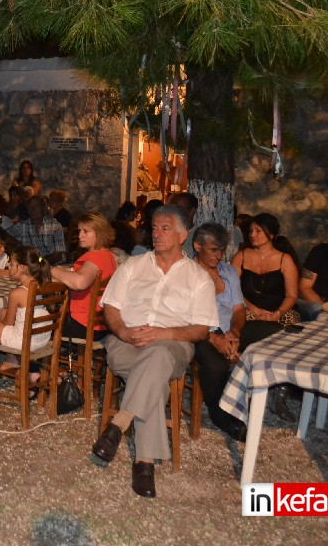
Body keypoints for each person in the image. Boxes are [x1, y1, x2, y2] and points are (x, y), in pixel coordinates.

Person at [93, 205, 218, 499]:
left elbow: (201, 330)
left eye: (165, 228)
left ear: (183, 235)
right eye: (154, 228)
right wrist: (124, 332)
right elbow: (111, 308)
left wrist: (163, 334)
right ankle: (144, 464)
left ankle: (119, 424)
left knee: (158, 355)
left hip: (172, 345)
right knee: (154, 379)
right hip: (127, 342)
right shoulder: (133, 266)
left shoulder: (198, 278)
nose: (156, 234)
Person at [231, 212, 301, 422]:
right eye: (251, 231)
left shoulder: (284, 259)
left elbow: (292, 295)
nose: (252, 235)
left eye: (258, 231)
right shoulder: (241, 256)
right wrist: (252, 308)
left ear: (271, 234)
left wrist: (278, 313)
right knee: (242, 327)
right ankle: (246, 387)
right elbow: (233, 290)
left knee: (290, 334)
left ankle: (280, 394)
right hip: (248, 308)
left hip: (279, 311)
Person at [190, 224, 248, 441]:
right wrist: (214, 338)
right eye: (214, 250)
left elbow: (239, 309)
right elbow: (182, 317)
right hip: (198, 330)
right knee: (216, 364)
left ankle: (248, 401)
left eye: (222, 250)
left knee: (265, 340)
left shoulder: (228, 272)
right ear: (197, 246)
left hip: (227, 327)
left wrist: (234, 333)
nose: (219, 255)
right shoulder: (186, 273)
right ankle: (218, 412)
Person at [0, 246, 54, 373]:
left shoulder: (17, 293)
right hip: (43, 339)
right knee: (3, 311)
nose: (9, 267)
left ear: (21, 268)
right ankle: (12, 361)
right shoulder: (44, 285)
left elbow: (8, 323)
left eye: (12, 264)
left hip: (24, 342)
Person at [50, 213, 117, 342]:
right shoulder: (107, 255)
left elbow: (80, 282)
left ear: (100, 233)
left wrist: (51, 270)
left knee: (38, 324)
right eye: (80, 231)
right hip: (101, 325)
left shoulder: (95, 256)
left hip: (83, 324)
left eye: (86, 231)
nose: (80, 235)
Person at [7, 195, 66, 265]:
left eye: (36, 206)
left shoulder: (54, 226)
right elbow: (3, 237)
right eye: (29, 207)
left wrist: (39, 262)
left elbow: (57, 255)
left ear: (43, 208)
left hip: (53, 265)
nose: (33, 209)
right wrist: (18, 247)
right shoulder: (22, 226)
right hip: (32, 266)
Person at [168, 192, 198, 258]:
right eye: (173, 208)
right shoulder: (166, 233)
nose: (175, 212)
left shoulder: (197, 236)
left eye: (179, 209)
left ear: (191, 211)